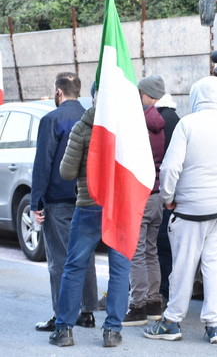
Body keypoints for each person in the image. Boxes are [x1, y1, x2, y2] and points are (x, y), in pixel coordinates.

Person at [144, 76, 217, 344]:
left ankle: (172, 321)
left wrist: (168, 197)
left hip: (191, 210)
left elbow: (171, 168)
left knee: (183, 267)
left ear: (196, 96)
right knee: (216, 268)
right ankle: (215, 325)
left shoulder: (188, 124)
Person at [49, 87, 132, 347]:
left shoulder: (82, 128)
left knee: (74, 267)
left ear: (94, 98)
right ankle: (112, 331)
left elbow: (66, 172)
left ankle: (64, 331)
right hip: (118, 207)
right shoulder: (127, 129)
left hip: (88, 204)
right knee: (119, 270)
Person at [31, 72, 97, 332]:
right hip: (88, 197)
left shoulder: (51, 119)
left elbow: (43, 163)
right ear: (78, 91)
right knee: (86, 256)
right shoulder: (91, 118)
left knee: (59, 259)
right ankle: (88, 311)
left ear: (58, 92)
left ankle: (61, 315)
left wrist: (37, 201)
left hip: (58, 200)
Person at [122, 87, 166, 325]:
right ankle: (153, 302)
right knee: (151, 250)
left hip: (140, 195)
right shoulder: (158, 123)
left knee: (137, 253)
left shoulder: (139, 128)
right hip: (157, 193)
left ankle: (137, 305)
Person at [138, 75, 180, 305]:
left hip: (159, 191)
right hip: (166, 192)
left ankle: (158, 293)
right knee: (157, 248)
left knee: (155, 248)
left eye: (142, 94)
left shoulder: (158, 120)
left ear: (150, 96)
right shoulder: (173, 117)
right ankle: (159, 293)